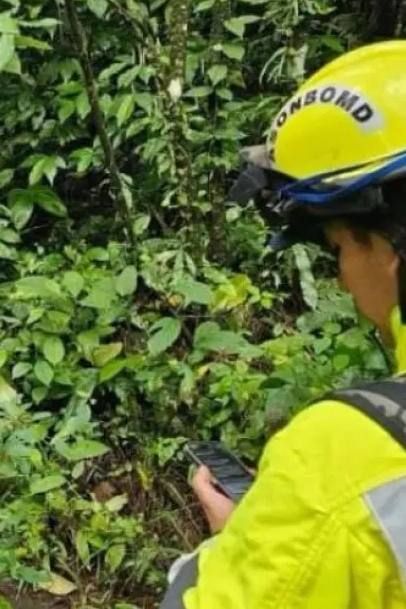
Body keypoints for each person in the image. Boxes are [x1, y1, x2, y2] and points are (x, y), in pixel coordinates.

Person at [163, 41, 406, 607]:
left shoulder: (347, 458)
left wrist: (249, 540)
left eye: (339, 245)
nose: (344, 276)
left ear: (392, 247)